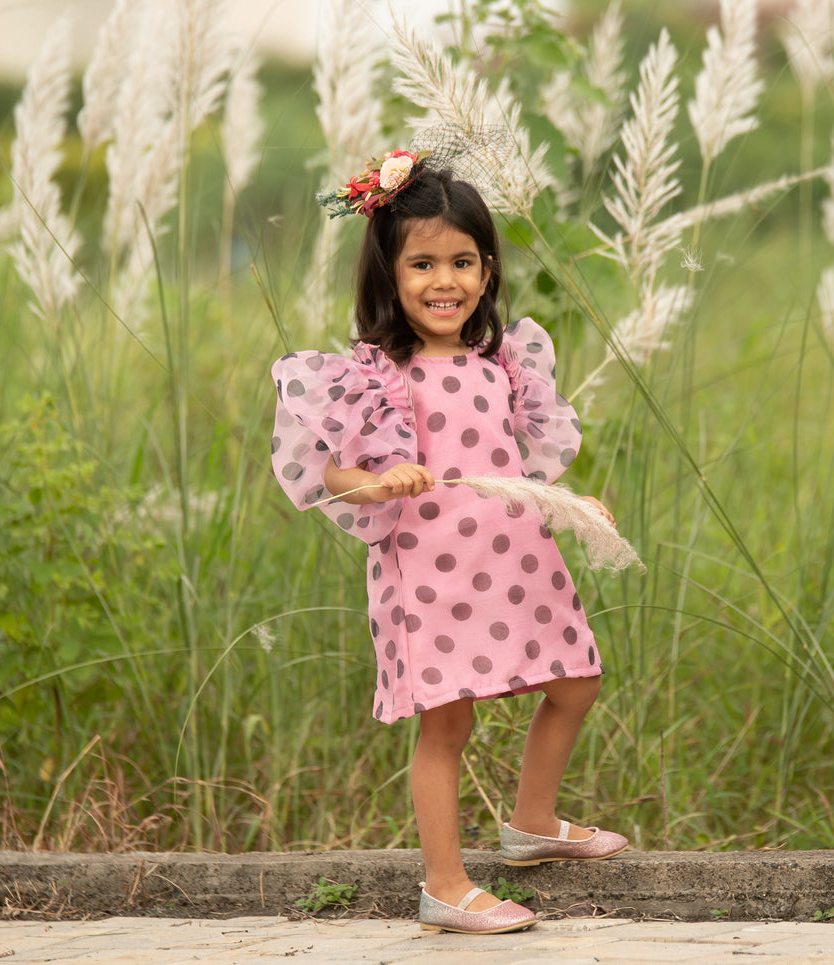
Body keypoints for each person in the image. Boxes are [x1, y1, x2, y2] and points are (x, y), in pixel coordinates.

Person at [270, 146, 627, 936]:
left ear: (488, 269)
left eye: (462, 261)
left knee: (574, 679)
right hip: (429, 574)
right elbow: (333, 474)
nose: (445, 281)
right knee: (448, 724)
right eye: (423, 264)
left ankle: (532, 820)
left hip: (516, 560)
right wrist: (379, 479)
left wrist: (572, 503)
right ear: (389, 277)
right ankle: (444, 881)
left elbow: (511, 465)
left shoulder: (501, 362)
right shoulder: (379, 374)